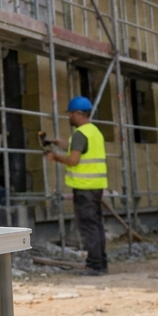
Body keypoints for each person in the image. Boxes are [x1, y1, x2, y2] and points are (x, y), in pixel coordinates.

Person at [44, 95, 108, 275]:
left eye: (71, 113)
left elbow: (73, 160)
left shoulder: (80, 134)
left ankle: (94, 266)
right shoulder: (94, 131)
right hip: (96, 186)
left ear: (78, 113)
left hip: (84, 188)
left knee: (88, 227)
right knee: (97, 225)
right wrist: (61, 144)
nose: (69, 117)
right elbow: (80, 149)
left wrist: (56, 157)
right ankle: (101, 263)